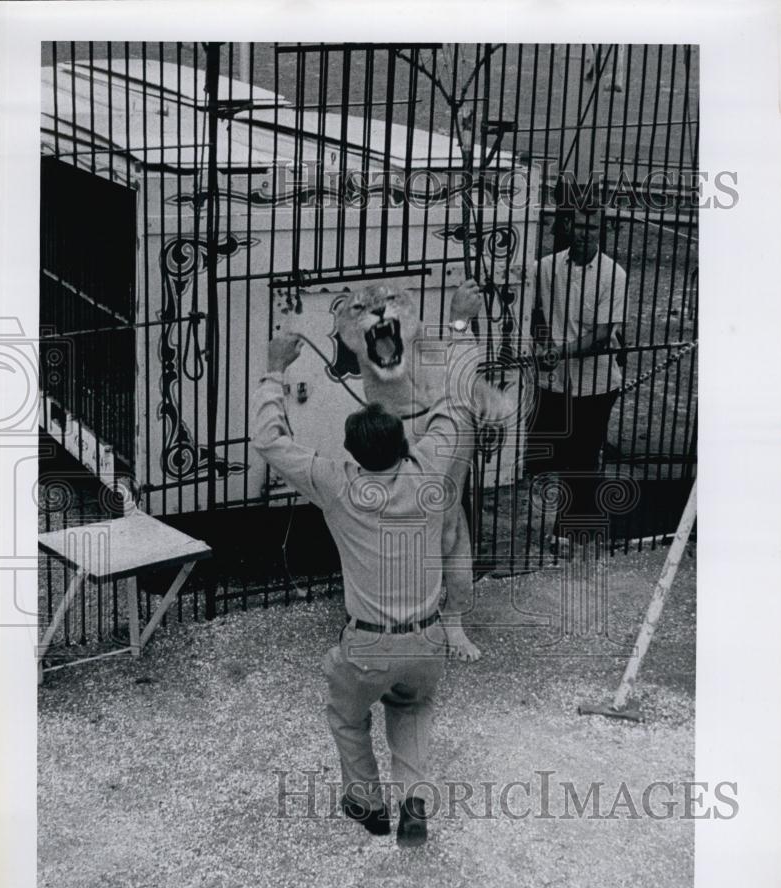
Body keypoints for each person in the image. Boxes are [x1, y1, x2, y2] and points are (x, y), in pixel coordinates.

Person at [251, 282, 482, 847]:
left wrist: (273, 372)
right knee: (412, 709)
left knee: (347, 714)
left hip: (368, 646)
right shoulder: (429, 469)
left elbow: (270, 440)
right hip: (426, 641)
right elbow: (455, 400)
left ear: (351, 454)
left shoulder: (337, 485)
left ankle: (365, 801)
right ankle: (416, 801)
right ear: (406, 446)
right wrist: (457, 325)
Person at [528, 187, 628, 547]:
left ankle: (575, 534)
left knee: (583, 458)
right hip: (553, 382)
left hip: (596, 383)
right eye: (580, 225)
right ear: (569, 226)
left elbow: (602, 335)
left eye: (593, 227)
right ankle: (539, 531)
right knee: (543, 454)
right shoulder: (545, 268)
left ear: (601, 230)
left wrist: (560, 351)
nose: (586, 233)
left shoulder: (614, 275)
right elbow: (531, 306)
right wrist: (541, 341)